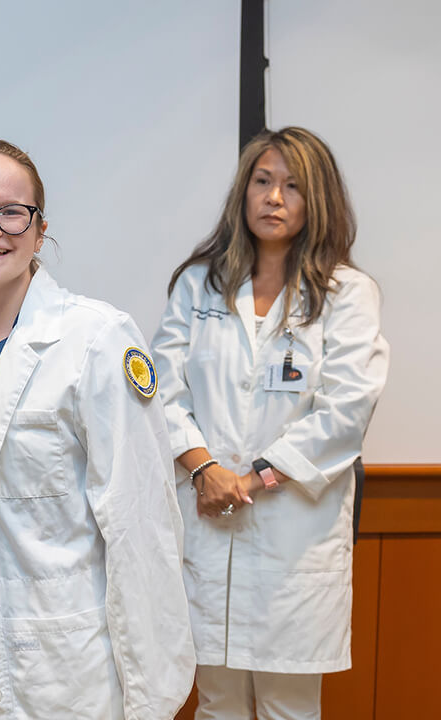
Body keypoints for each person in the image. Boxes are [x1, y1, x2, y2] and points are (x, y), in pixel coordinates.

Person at [0, 138, 195, 720]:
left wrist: (153, 697)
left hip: (59, 671)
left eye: (12, 212)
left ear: (39, 229)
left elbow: (141, 527)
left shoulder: (98, 340)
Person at [151, 127, 389, 719]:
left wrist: (251, 481)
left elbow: (345, 411)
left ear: (318, 201)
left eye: (291, 186)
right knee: (217, 703)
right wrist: (205, 470)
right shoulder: (199, 285)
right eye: (262, 182)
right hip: (208, 522)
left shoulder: (347, 294)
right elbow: (160, 388)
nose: (274, 197)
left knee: (289, 706)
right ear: (244, 192)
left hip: (292, 535)